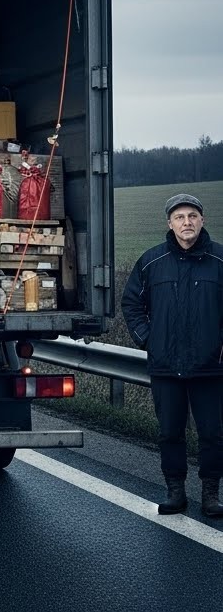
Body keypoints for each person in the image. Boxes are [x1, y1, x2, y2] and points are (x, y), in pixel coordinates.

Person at [121, 193, 223, 517]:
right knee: (169, 432)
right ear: (170, 223)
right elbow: (131, 303)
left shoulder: (220, 261)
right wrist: (149, 341)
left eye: (192, 216)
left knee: (213, 434)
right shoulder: (152, 261)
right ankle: (175, 492)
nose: (187, 222)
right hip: (166, 366)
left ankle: (211, 495)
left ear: (203, 220)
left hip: (211, 367)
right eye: (180, 217)